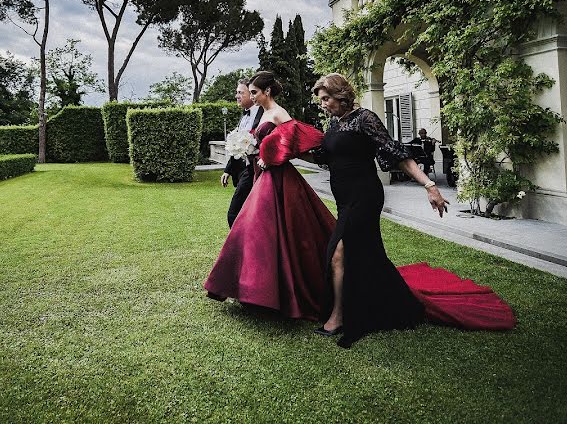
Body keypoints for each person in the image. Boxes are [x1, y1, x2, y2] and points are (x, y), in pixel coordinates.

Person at [312, 73, 515, 348]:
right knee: (364, 253)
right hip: (343, 197)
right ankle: (384, 298)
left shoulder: (364, 119)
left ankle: (338, 316)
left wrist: (430, 185)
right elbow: (322, 157)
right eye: (321, 100)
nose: (323, 104)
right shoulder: (335, 124)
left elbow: (397, 154)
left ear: (340, 94)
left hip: (364, 195)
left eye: (326, 99)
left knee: (338, 252)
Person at [204, 71, 336, 320]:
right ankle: (253, 290)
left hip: (278, 179)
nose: (251, 96)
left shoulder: (278, 112)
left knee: (270, 230)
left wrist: (271, 156)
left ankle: (270, 294)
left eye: (254, 92)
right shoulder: (263, 114)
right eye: (250, 92)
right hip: (260, 176)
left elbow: (293, 139)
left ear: (267, 92)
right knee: (254, 231)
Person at [221, 80, 264, 228]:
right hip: (241, 171)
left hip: (254, 170)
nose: (237, 96)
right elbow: (237, 144)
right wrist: (228, 170)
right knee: (246, 213)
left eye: (241, 92)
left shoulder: (263, 114)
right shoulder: (244, 117)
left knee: (234, 213)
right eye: (237, 92)